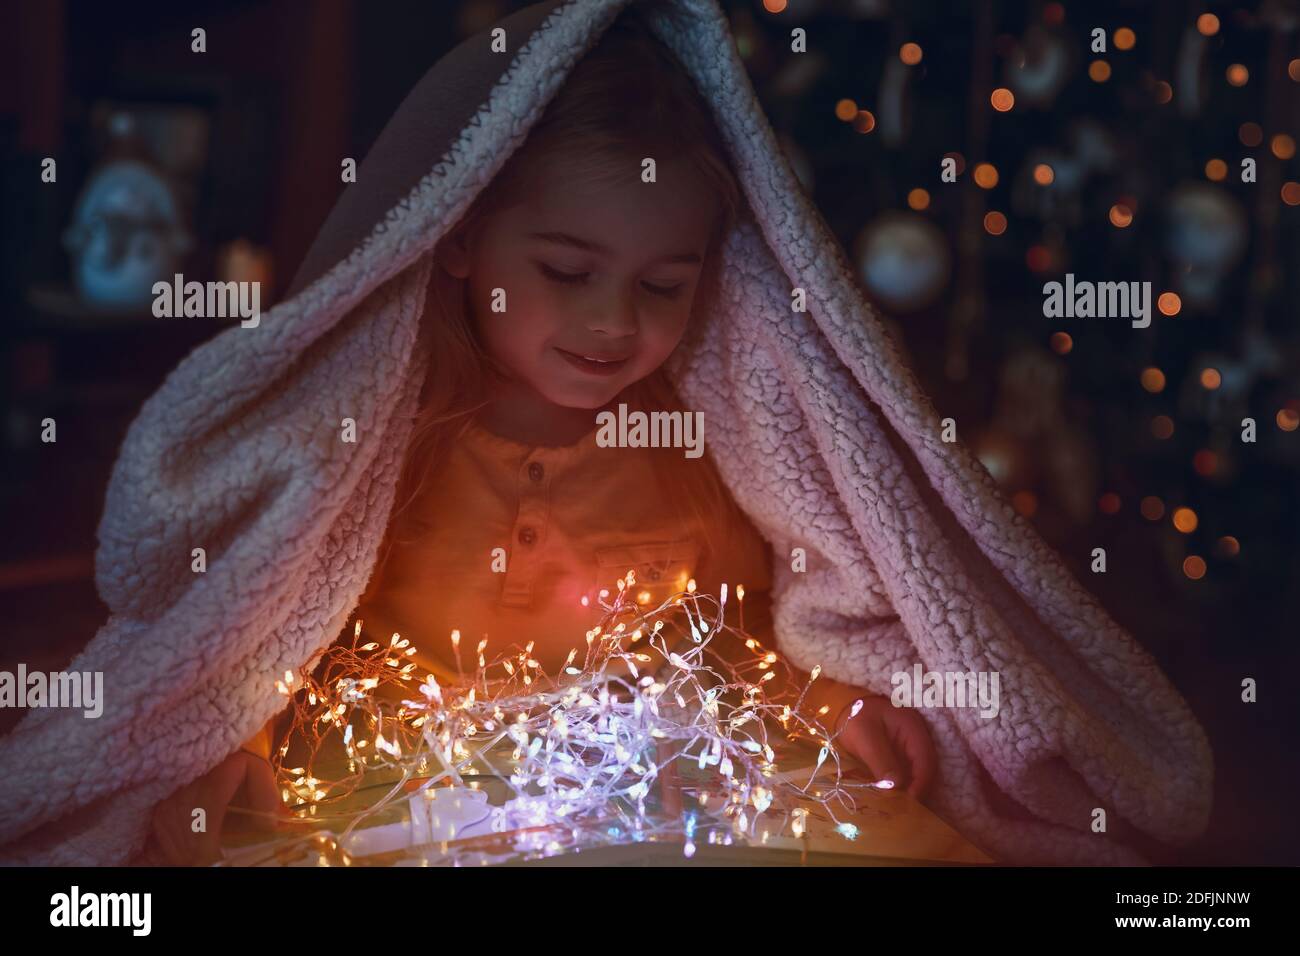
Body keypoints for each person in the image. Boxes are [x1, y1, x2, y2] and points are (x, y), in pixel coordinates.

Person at [143, 2, 935, 865]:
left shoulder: (689, 451)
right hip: (372, 809)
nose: (613, 322)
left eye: (664, 286)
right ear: (459, 237)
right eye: (566, 271)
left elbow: (741, 642)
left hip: (614, 811)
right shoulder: (377, 441)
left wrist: (833, 705)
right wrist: (233, 746)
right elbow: (270, 616)